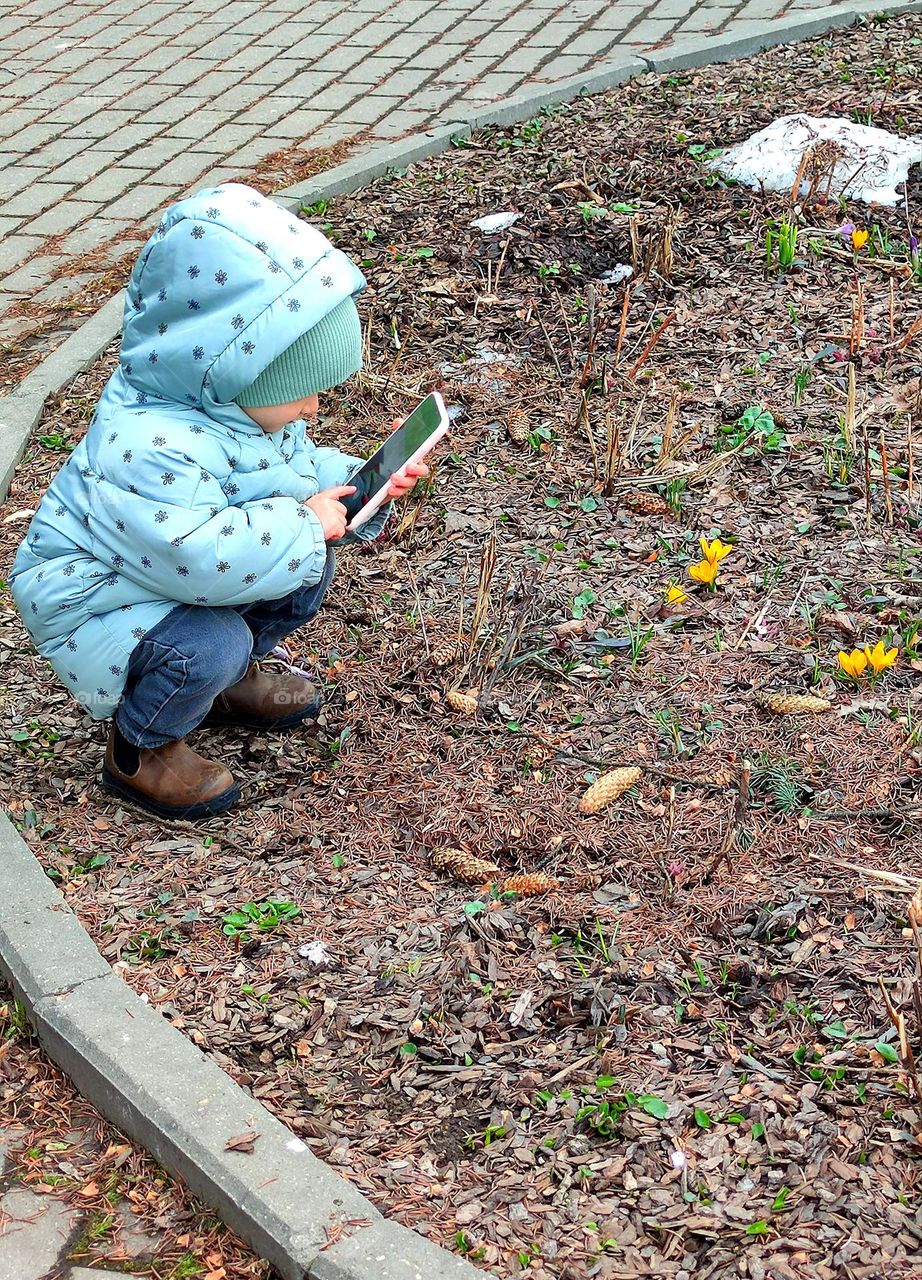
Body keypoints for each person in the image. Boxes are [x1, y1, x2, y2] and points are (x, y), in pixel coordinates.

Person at [9, 182, 427, 820]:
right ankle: (139, 747)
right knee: (211, 642)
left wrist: (355, 482)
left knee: (306, 564)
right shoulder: (149, 445)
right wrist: (302, 523)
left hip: (168, 576)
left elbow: (291, 471)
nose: (313, 408)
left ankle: (223, 686)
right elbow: (197, 557)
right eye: (302, 391)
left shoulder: (235, 408)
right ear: (236, 368)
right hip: (97, 597)